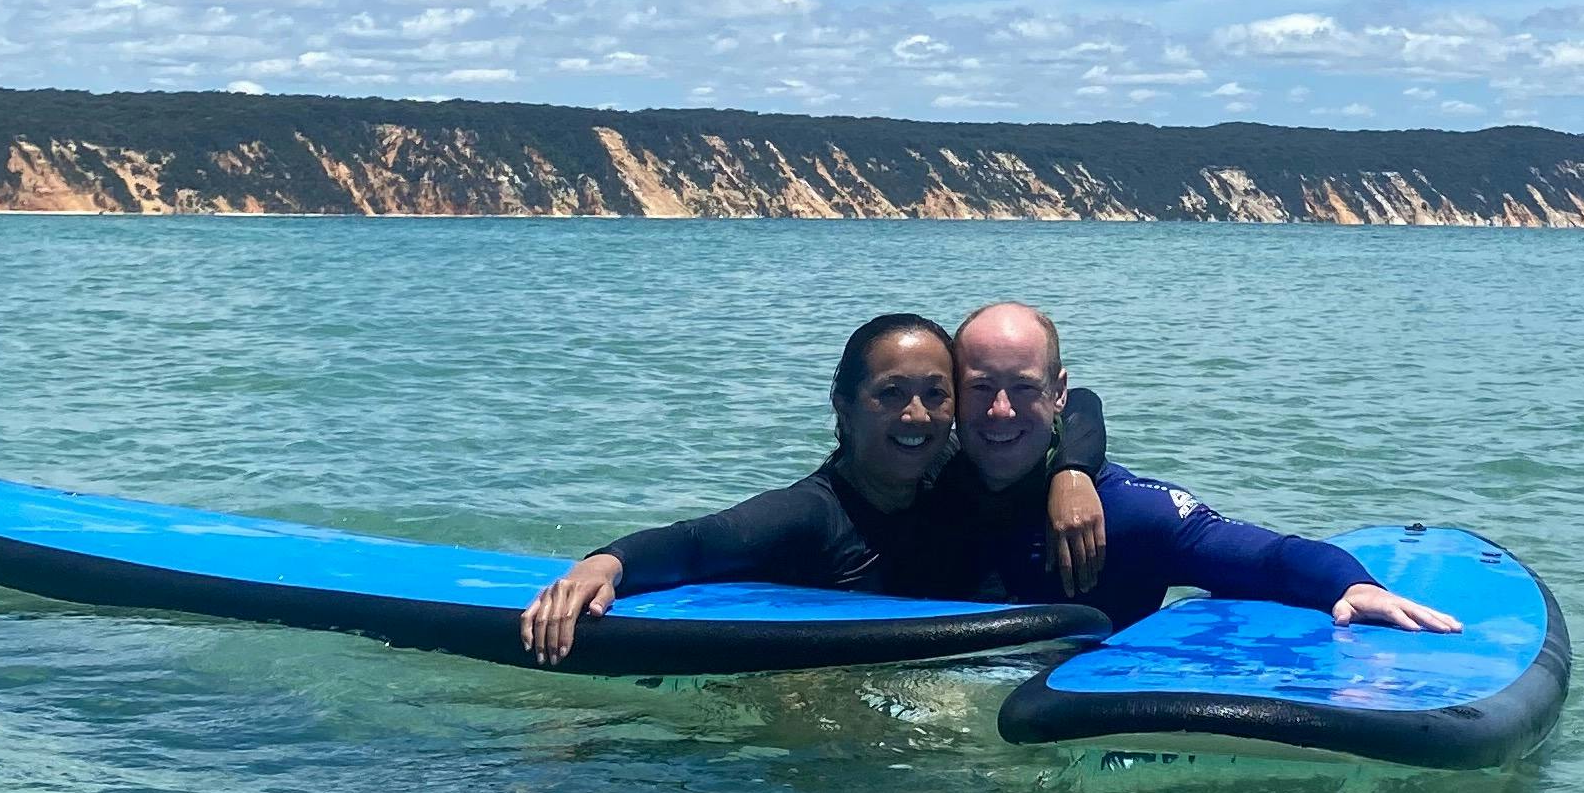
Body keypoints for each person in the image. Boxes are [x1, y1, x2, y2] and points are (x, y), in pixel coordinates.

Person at [516, 310, 1103, 663]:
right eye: (891, 394)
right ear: (845, 408)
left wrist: (1069, 473)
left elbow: (1078, 403)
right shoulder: (812, 515)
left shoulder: (950, 465)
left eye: (935, 393)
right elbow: (700, 541)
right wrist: (603, 565)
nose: (917, 416)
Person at [941, 297, 1460, 634]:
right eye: (981, 387)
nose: (1000, 410)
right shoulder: (920, 484)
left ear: (1059, 392)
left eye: (1024, 388)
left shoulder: (1128, 511)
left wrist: (1352, 586)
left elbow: (1267, 557)